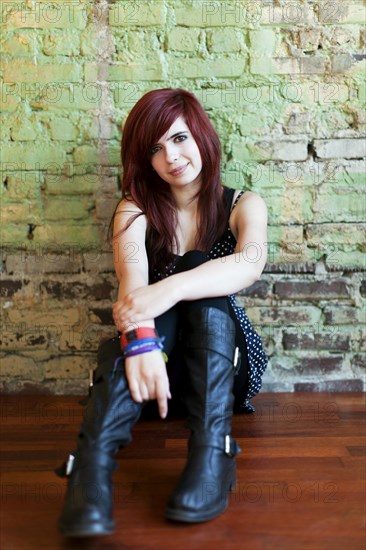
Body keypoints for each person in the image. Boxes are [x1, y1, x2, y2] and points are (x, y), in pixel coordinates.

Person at [56, 88, 268, 537]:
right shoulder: (135, 210)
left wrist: (166, 291)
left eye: (179, 138)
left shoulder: (243, 205)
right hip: (150, 369)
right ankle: (89, 469)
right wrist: (143, 342)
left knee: (194, 266)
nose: (171, 156)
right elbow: (133, 290)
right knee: (144, 311)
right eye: (155, 148)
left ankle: (213, 451)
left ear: (202, 138)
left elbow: (248, 264)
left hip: (223, 372)